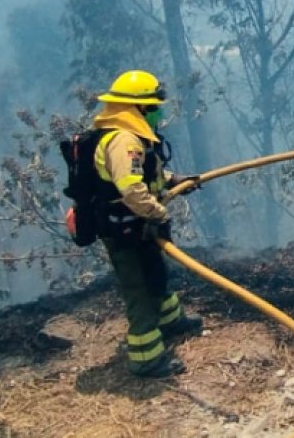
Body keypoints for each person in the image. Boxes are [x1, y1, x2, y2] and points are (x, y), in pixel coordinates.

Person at [90, 70, 201, 377]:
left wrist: (174, 180)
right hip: (124, 230)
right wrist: (159, 215)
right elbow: (131, 190)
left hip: (138, 226)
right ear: (137, 109)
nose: (158, 113)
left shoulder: (131, 139)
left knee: (156, 275)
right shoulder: (123, 141)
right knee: (138, 289)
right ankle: (146, 358)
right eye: (153, 107)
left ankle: (171, 322)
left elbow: (143, 176)